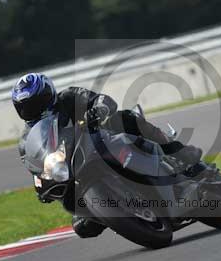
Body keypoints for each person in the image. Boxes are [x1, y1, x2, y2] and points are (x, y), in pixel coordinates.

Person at [11, 73, 202, 238]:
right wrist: (41, 183)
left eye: (38, 102)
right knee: (82, 227)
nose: (35, 109)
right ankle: (120, 212)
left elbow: (102, 100)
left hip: (98, 139)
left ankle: (178, 150)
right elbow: (35, 166)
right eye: (27, 107)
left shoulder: (69, 97)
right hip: (72, 167)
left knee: (126, 117)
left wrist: (99, 108)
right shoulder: (26, 140)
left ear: (49, 93)